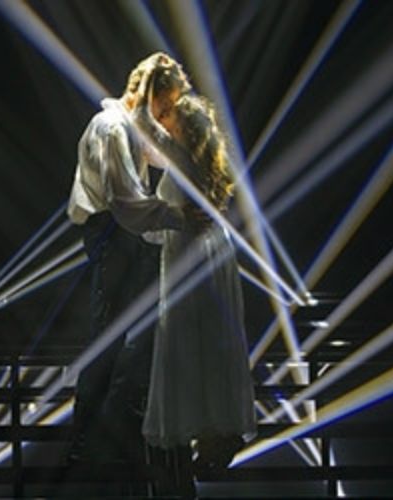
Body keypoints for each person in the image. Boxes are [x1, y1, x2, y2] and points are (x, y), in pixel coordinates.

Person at [65, 52, 194, 465]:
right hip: (111, 234)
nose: (166, 114)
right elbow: (126, 202)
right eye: (165, 104)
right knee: (109, 338)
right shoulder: (111, 128)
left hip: (124, 235)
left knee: (138, 333)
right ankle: (85, 443)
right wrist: (182, 217)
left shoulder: (131, 126)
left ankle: (114, 430)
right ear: (147, 94)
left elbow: (162, 155)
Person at [134, 89, 257, 468]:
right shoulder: (202, 160)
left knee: (190, 339)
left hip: (190, 256)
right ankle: (214, 432)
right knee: (210, 341)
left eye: (169, 117)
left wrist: (145, 89)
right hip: (211, 253)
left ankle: (207, 432)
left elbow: (142, 126)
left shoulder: (182, 158)